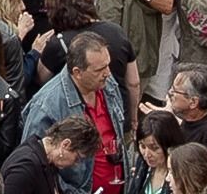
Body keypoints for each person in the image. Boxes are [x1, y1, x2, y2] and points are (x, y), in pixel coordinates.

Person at [21, 33, 129, 194]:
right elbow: (32, 163)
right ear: (77, 72)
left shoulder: (108, 85)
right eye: (99, 69)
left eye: (108, 65)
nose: (107, 73)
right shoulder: (47, 105)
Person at [1, 116, 102, 192]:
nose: (76, 164)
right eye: (77, 158)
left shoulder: (48, 161)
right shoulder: (24, 168)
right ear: (65, 144)